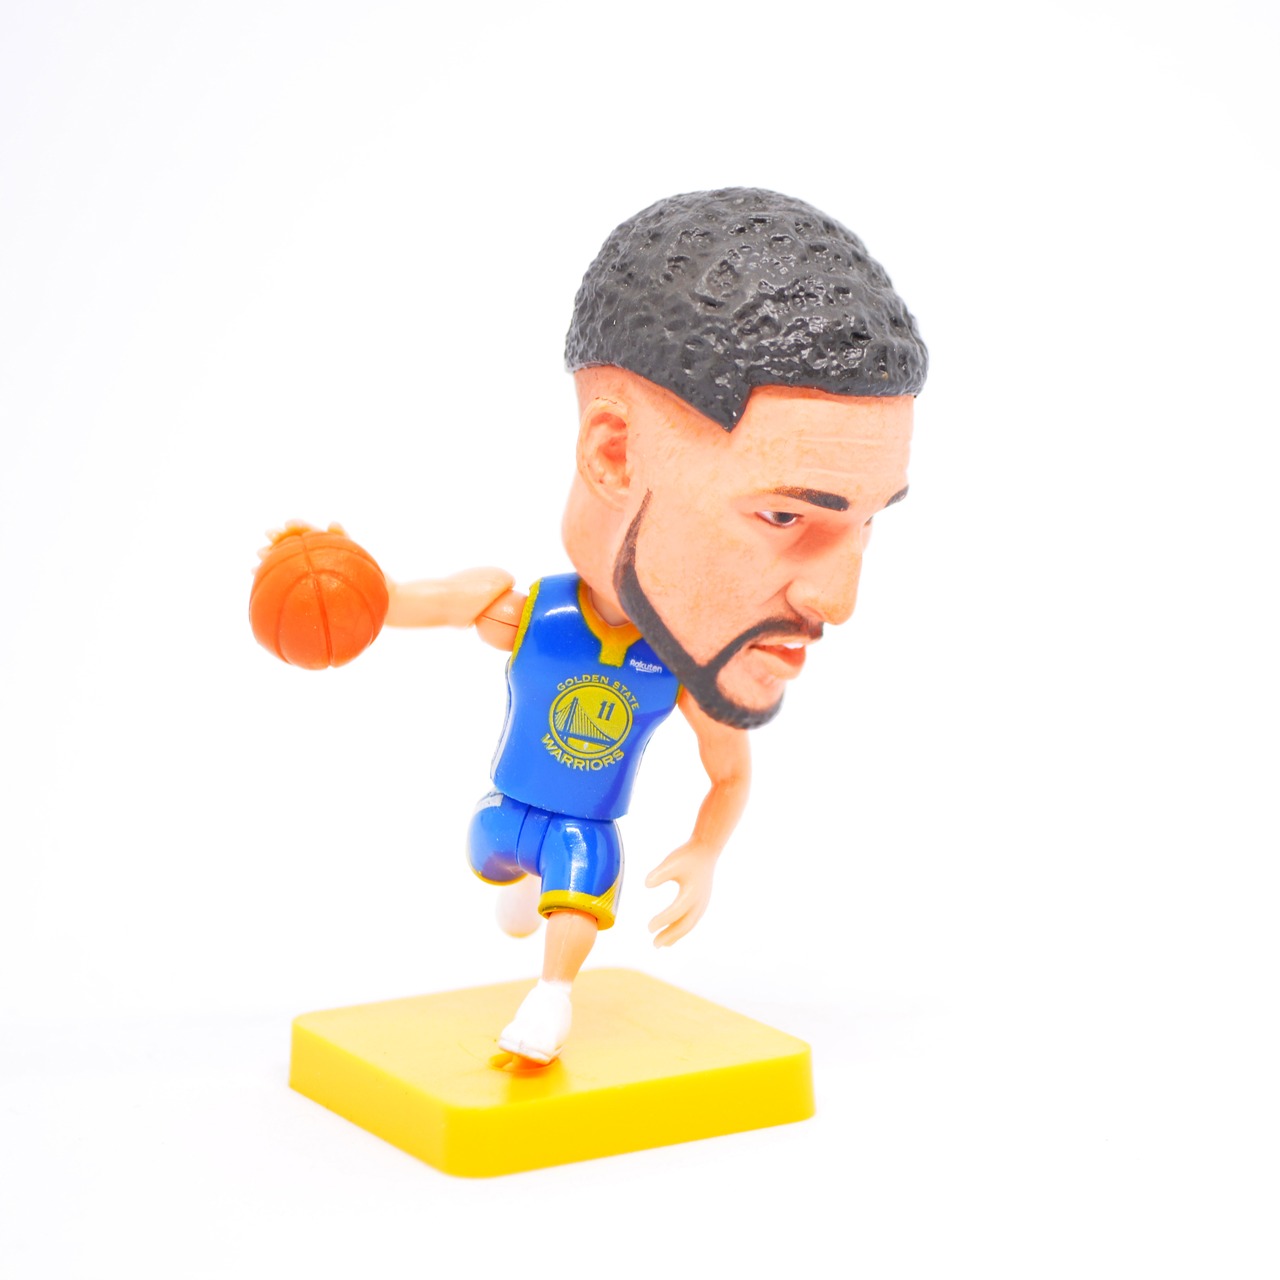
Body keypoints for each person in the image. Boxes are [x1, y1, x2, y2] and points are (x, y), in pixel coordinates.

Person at [384, 188, 928, 1063]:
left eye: (867, 523)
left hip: (581, 834)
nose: (838, 603)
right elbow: (442, 602)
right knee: (499, 872)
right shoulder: (538, 613)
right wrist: (358, 599)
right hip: (503, 819)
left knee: (572, 893)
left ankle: (550, 999)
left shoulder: (678, 672)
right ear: (614, 455)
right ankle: (521, 899)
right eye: (785, 517)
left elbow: (728, 775)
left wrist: (705, 853)